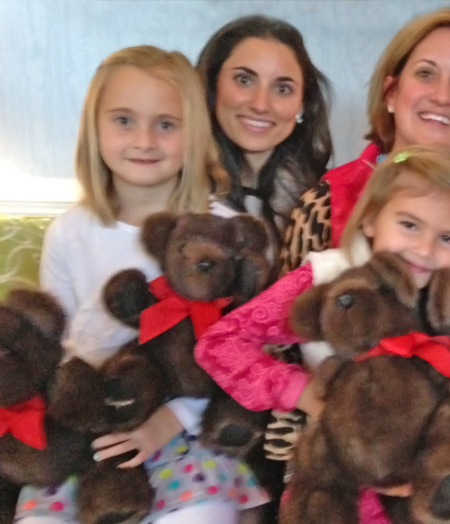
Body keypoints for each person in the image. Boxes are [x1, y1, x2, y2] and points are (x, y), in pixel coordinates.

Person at [195, 145, 450, 522]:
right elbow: (221, 343)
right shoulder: (330, 278)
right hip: (345, 465)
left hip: (442, 463)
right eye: (409, 225)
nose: (424, 249)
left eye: (447, 239)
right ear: (372, 219)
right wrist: (305, 394)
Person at [16, 46, 268, 524]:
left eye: (166, 124)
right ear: (95, 129)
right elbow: (57, 352)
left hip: (185, 428)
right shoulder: (70, 233)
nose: (145, 140)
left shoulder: (222, 232)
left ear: (193, 133)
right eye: (124, 121)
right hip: (92, 427)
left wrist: (168, 423)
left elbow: (239, 357)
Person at [278, 7, 450, 295]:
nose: (442, 96)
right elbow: (287, 320)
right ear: (391, 92)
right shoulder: (322, 204)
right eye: (426, 73)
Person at [197, 15, 333, 241]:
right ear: (212, 85)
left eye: (282, 89)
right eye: (243, 80)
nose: (260, 105)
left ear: (303, 104)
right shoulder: (171, 189)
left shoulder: (329, 200)